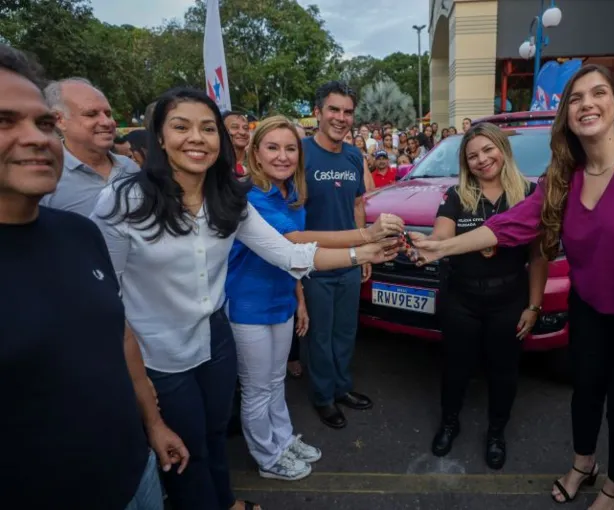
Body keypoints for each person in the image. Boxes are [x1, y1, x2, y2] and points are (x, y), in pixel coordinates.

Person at [90, 87, 398, 510]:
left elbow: (288, 253)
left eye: (207, 128)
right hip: (159, 353)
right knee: (188, 447)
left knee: (216, 433)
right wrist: (138, 384)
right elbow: (107, 297)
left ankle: (227, 501)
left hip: (214, 338)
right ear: (159, 137)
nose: (196, 138)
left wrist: (364, 252)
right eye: (181, 126)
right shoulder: (124, 201)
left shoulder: (229, 199)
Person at [409, 64, 614, 509]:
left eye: (598, 93)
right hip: (588, 308)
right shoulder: (563, 178)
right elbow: (510, 226)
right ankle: (584, 464)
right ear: (566, 116)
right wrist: (438, 250)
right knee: (584, 395)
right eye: (576, 98)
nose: (587, 104)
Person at [0, 43, 189, 510]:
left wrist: (153, 422)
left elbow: (117, 330)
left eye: (42, 122)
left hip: (135, 474)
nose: (37, 137)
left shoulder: (81, 232)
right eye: (5, 122)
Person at [225, 116, 403, 481]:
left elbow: (291, 262)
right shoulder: (251, 196)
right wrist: (365, 240)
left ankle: (284, 440)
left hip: (281, 301)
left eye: (290, 148)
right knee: (258, 390)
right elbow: (295, 245)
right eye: (272, 147)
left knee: (275, 381)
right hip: (249, 305)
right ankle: (268, 456)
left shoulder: (289, 192)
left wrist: (300, 299)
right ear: (255, 153)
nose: (282, 156)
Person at [415, 123, 547, 470]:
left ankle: (496, 433)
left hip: (509, 299)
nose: (481, 159)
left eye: (488, 150)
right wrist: (429, 246)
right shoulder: (457, 195)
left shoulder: (531, 194)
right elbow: (441, 235)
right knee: (456, 368)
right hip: (462, 300)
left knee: (504, 372)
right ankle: (449, 423)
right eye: (472, 155)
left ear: (503, 149)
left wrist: (534, 306)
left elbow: (538, 257)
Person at [302, 81, 378, 429]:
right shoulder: (300, 153)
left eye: (347, 111)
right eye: (333, 109)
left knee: (345, 331)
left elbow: (359, 204)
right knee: (319, 335)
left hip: (349, 261)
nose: (341, 117)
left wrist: (363, 254)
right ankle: (322, 397)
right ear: (318, 112)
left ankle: (342, 387)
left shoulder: (353, 155)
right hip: (314, 262)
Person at [40, 77, 139, 216]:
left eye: (108, 114)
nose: (106, 122)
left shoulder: (130, 168)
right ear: (59, 120)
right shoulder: (44, 175)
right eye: (91, 114)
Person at [223, 110, 250, 177]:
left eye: (246, 128)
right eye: (235, 127)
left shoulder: (257, 162)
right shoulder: (214, 163)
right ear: (223, 132)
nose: (242, 132)